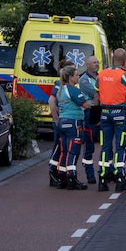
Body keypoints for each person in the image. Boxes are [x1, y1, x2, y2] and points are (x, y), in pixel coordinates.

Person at [96, 48, 126, 193]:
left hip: (104, 113)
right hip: (120, 113)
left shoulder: (101, 74)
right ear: (125, 59)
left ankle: (102, 179)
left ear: (113, 58)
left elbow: (96, 93)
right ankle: (120, 178)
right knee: (120, 146)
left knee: (105, 146)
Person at [54, 64, 91, 190]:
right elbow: (86, 105)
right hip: (74, 122)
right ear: (70, 77)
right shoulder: (73, 90)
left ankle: (61, 177)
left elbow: (56, 104)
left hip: (62, 122)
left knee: (64, 151)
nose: (78, 77)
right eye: (76, 75)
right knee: (73, 152)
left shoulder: (60, 90)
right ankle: (72, 178)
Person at [46, 58, 71, 187]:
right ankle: (53, 172)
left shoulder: (67, 85)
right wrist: (56, 119)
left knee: (64, 148)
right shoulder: (59, 84)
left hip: (65, 121)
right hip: (61, 122)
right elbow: (51, 101)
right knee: (58, 147)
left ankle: (61, 174)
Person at [77, 55, 101, 184]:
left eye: (97, 62)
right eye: (94, 62)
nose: (97, 64)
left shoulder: (100, 77)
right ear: (88, 65)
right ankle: (89, 173)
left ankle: (107, 172)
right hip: (90, 112)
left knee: (105, 143)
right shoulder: (84, 80)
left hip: (100, 111)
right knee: (89, 144)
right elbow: (94, 93)